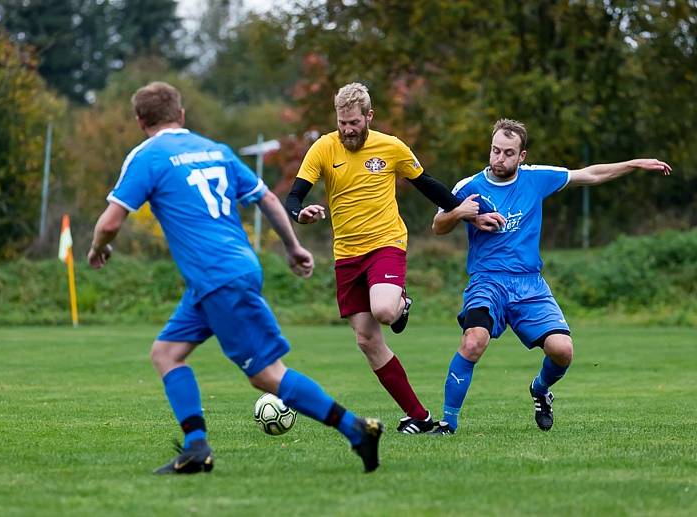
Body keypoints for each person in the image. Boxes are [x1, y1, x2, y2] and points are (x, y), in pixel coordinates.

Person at [88, 81, 384, 474]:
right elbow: (267, 198)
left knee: (266, 376)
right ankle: (196, 447)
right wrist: (293, 247)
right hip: (226, 273)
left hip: (218, 277)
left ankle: (357, 430)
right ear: (181, 115)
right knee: (166, 354)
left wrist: (97, 248)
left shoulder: (147, 156)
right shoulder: (216, 150)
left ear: (140, 120)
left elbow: (109, 222)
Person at [429, 118, 671, 435]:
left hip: (529, 284)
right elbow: (438, 225)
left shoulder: (536, 178)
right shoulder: (468, 187)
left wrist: (634, 164)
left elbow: (590, 175)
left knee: (562, 351)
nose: (498, 159)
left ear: (522, 155)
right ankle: (448, 423)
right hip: (487, 281)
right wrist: (463, 213)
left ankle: (540, 390)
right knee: (474, 341)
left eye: (507, 153)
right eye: (495, 151)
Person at [286, 82, 502, 435]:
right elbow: (294, 196)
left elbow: (426, 183)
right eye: (342, 123)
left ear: (369, 117)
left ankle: (401, 303)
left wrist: (462, 211)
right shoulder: (323, 148)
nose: (347, 130)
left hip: (385, 244)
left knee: (385, 310)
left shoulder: (390, 146)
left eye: (354, 122)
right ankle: (419, 416)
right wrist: (301, 215)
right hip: (346, 256)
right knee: (367, 341)